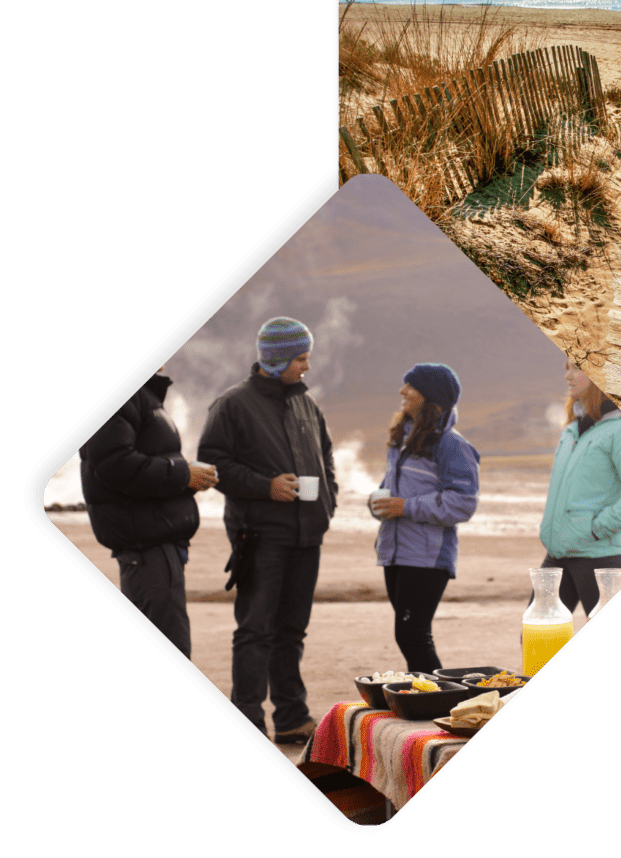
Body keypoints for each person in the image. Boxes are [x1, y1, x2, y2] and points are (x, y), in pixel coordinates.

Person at [197, 317, 337, 746]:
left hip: (306, 536)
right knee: (255, 630)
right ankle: (248, 721)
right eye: (300, 358)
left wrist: (329, 500)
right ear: (275, 360)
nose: (307, 367)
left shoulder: (305, 405)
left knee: (292, 630)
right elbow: (213, 465)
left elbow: (326, 457)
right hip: (258, 536)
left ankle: (292, 717)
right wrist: (266, 486)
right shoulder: (232, 405)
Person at [79, 367, 218, 659]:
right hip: (147, 548)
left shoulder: (142, 395)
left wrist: (188, 476)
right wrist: (183, 474)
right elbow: (114, 464)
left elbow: (136, 462)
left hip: (155, 544)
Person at [370, 363, 480, 674]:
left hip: (428, 557)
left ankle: (443, 707)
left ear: (430, 396)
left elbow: (463, 503)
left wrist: (405, 507)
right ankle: (425, 700)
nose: (402, 391)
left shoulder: (452, 445)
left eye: (410, 386)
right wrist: (377, 501)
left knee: (412, 636)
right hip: (396, 551)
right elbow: (393, 489)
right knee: (410, 636)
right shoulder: (403, 441)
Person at [538, 358, 621, 617]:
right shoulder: (571, 430)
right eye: (566, 367)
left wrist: (594, 529)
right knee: (536, 639)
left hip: (600, 556)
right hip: (559, 551)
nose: (568, 376)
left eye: (576, 368)